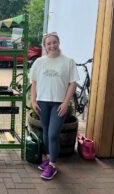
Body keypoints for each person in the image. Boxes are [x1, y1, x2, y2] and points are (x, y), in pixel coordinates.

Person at [30, 32, 79, 180]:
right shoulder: (39, 62)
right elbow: (34, 82)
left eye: (54, 42)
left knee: (53, 134)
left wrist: (66, 103)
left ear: (59, 42)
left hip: (59, 104)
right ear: (45, 46)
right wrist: (33, 101)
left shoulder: (68, 61)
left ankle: (52, 166)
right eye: (48, 43)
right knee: (45, 131)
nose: (52, 45)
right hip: (42, 102)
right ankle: (49, 159)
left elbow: (73, 83)